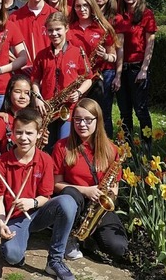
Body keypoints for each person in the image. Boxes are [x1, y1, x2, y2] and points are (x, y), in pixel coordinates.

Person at [0, 108, 77, 280]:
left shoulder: (45, 159)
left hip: (38, 213)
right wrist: (1, 224)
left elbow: (46, 196)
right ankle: (19, 243)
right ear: (13, 134)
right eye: (19, 132)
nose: (24, 138)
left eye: (29, 133)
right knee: (12, 256)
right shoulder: (2, 162)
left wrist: (33, 203)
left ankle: (55, 260)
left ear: (39, 134)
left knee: (68, 202)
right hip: (14, 217)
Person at [52, 98, 128, 261]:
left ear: (97, 120)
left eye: (88, 120)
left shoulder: (111, 149)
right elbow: (56, 184)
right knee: (71, 194)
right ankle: (69, 237)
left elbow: (114, 187)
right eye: (78, 119)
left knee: (118, 247)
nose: (82, 124)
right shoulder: (62, 146)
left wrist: (99, 213)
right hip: (75, 199)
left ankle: (87, 236)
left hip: (97, 204)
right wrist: (86, 191)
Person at [31, 12, 92, 149]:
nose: (54, 33)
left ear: (66, 28)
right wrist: (37, 98)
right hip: (46, 108)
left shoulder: (77, 52)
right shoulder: (42, 55)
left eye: (58, 29)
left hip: (68, 109)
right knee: (45, 146)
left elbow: (88, 79)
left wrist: (79, 92)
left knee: (64, 146)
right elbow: (34, 80)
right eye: (50, 30)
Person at [113, 0, 157, 150]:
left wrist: (144, 70)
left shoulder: (147, 14)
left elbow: (150, 44)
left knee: (140, 109)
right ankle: (128, 147)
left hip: (138, 67)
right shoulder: (119, 16)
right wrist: (117, 75)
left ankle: (147, 145)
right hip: (123, 69)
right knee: (124, 112)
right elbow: (120, 47)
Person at [68, 0, 119, 138]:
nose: (82, 9)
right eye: (78, 6)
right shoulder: (69, 28)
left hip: (96, 79)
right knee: (76, 119)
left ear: (92, 7)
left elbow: (114, 56)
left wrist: (105, 56)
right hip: (75, 81)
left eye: (86, 5)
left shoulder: (103, 28)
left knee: (99, 117)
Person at [0, 75, 34, 166]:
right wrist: (10, 166)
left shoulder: (34, 121)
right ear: (9, 93)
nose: (22, 96)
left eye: (27, 93)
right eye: (17, 92)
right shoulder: (1, 122)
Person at [9, 0, 55, 72]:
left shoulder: (55, 16)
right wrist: (20, 63)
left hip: (48, 73)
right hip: (22, 76)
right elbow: (5, 48)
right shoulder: (14, 18)